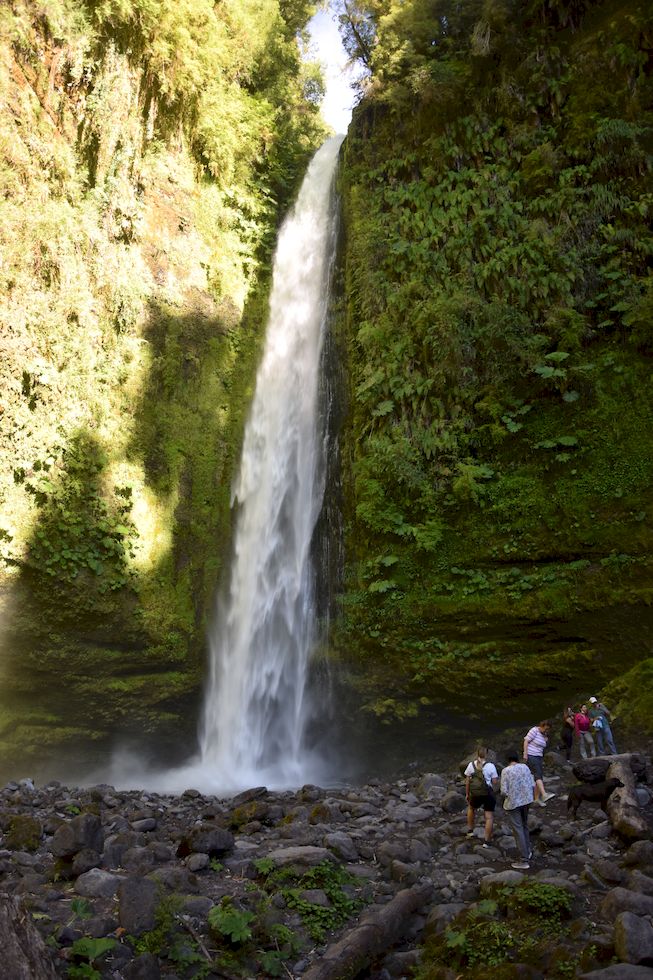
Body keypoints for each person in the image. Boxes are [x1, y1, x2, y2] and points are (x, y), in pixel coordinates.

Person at [501, 751, 535, 870]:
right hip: (527, 800)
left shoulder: (506, 771)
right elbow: (532, 783)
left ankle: (524, 859)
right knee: (524, 825)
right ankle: (528, 851)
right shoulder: (525, 767)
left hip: (514, 803)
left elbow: (504, 790)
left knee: (518, 828)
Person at [464, 746, 500, 846]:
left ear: (477, 754)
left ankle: (470, 831)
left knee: (471, 809)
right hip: (487, 793)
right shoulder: (491, 766)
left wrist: (467, 794)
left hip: (475, 793)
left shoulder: (471, 765)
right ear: (487, 755)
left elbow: (467, 781)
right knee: (489, 817)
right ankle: (486, 841)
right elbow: (495, 781)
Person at [523, 720, 556, 806]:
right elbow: (526, 741)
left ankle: (536, 799)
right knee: (538, 774)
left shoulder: (544, 735)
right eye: (545, 728)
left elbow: (542, 746)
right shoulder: (534, 730)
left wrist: (546, 740)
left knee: (538, 777)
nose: (546, 730)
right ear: (541, 726)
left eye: (548, 729)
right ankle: (544, 794)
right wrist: (525, 754)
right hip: (531, 755)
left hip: (539, 756)